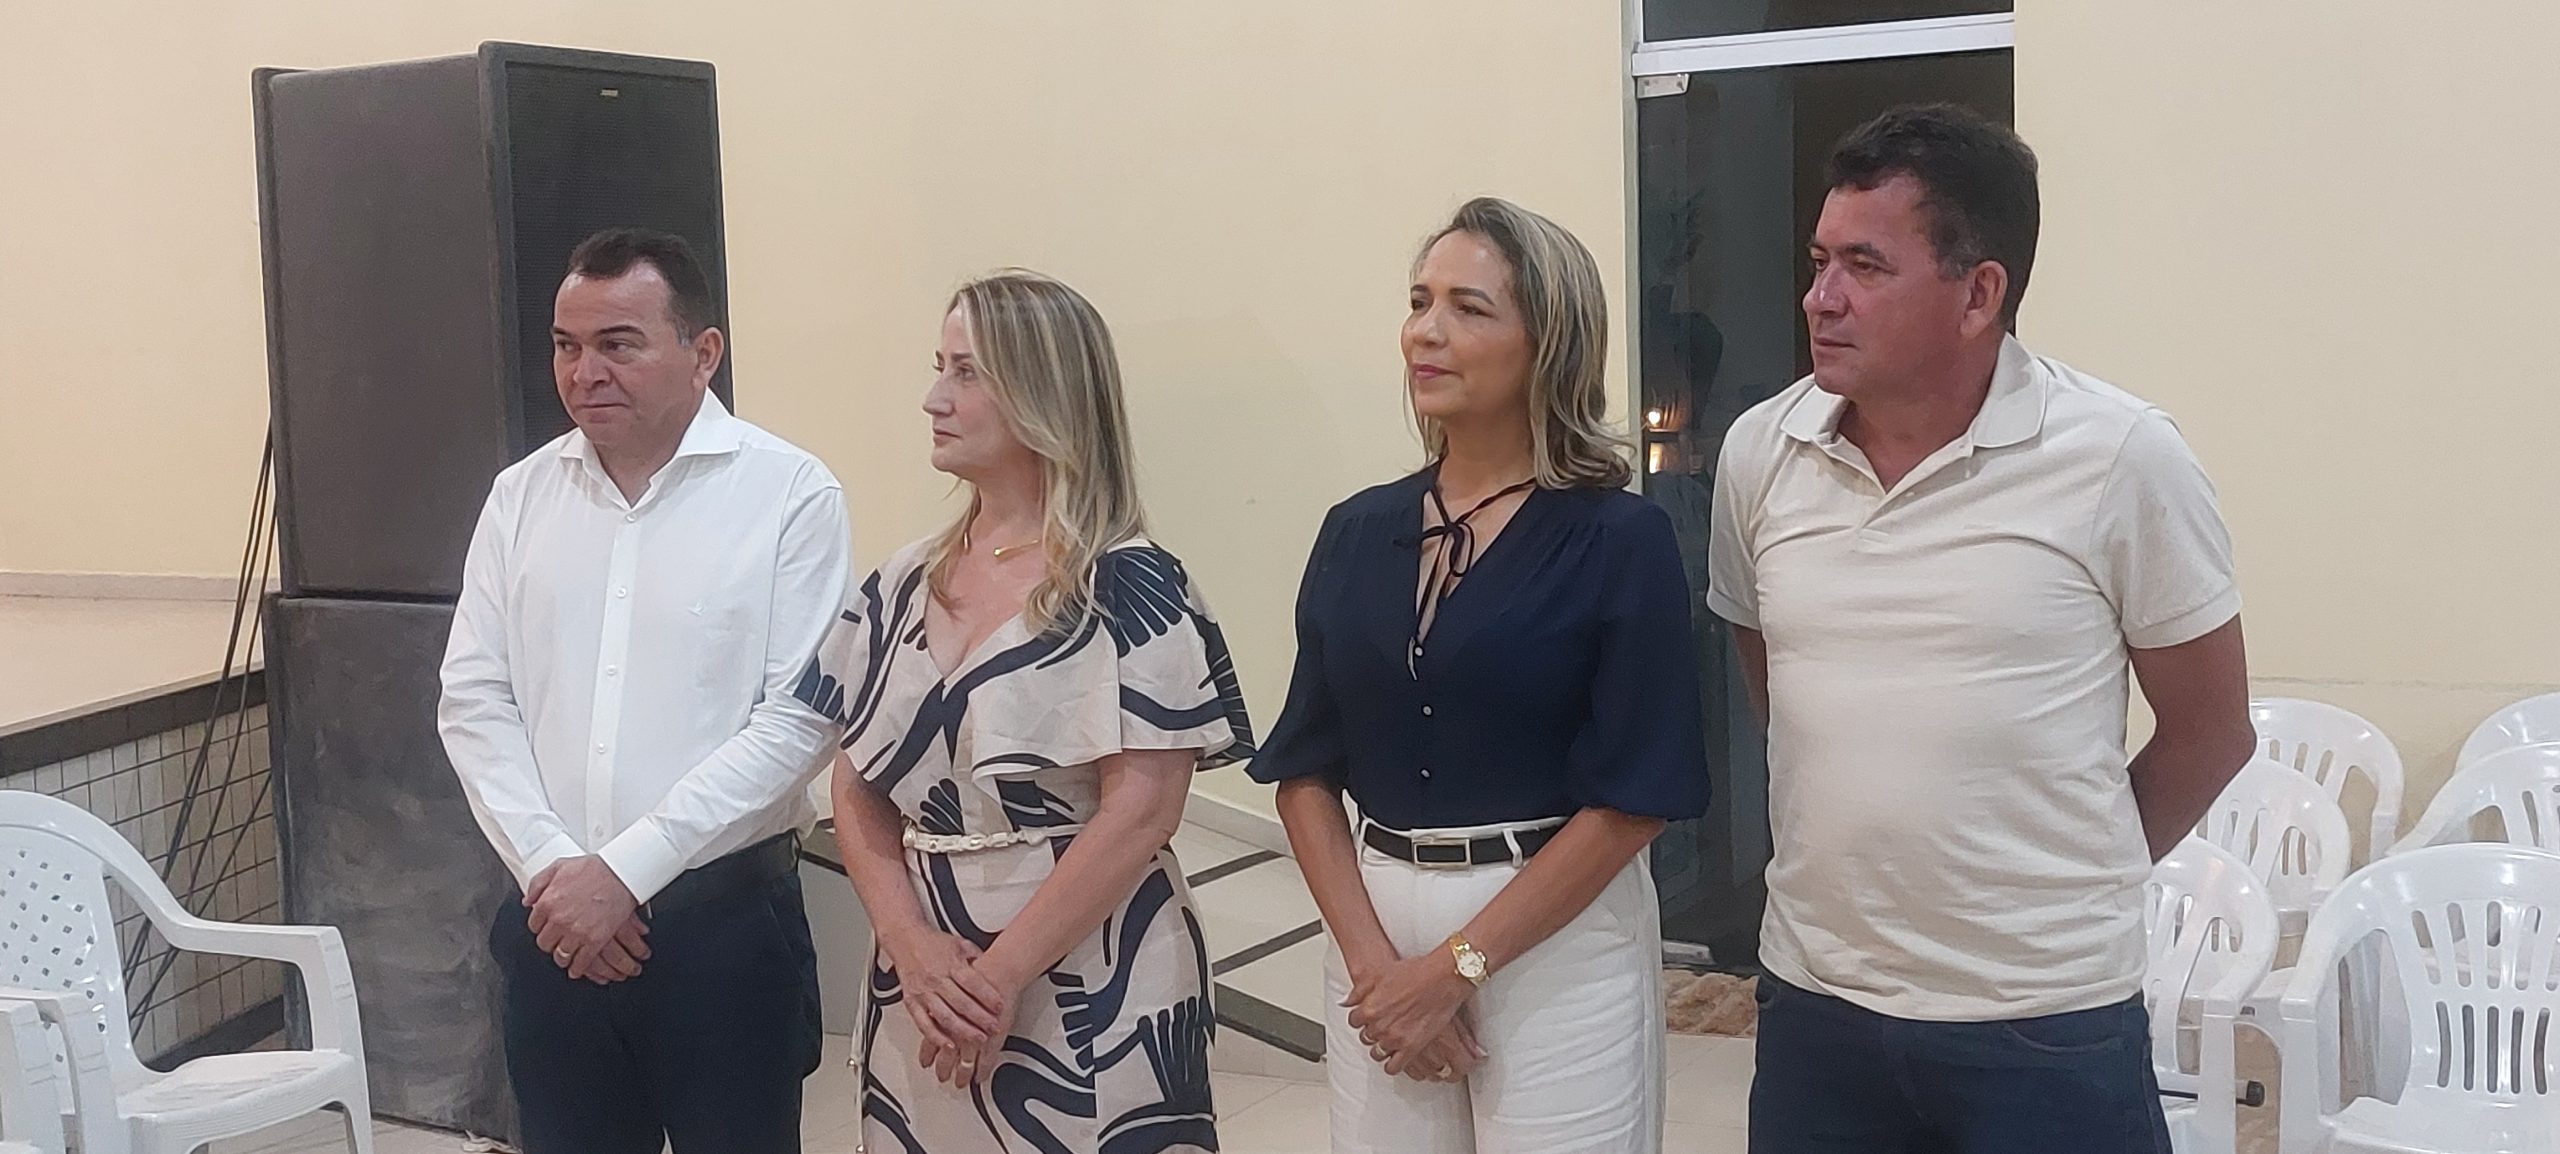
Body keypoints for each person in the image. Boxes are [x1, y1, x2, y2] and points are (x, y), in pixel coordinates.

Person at [1707, 104, 2256, 1153]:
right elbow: (1771, 672)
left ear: (1979, 294)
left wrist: (2059, 879)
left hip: (2042, 1023)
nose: (1820, 297)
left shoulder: (2120, 456)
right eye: (1819, 261)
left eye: (1864, 266)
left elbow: (2211, 732)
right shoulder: (1760, 452)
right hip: (1818, 1008)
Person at [1250, 196, 1709, 1154]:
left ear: (1549, 343)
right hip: (1375, 932)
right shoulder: (1357, 530)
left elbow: (1636, 800)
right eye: (1420, 301)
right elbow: (1304, 769)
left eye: (1468, 308)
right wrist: (1379, 972)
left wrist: (1454, 969)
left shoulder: (1619, 539)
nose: (1427, 331)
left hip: (1554, 940)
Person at [791, 271, 1253, 1154]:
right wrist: (911, 946)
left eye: (967, 372)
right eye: (939, 367)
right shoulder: (900, 583)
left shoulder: (1130, 583)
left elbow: (1144, 808)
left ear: (1045, 390)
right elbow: (856, 787)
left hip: (1094, 970)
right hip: (922, 973)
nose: (934, 398)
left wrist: (997, 977)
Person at [438, 227, 848, 1153]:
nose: (586, 373)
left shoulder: (790, 494)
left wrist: (626, 871)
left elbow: (799, 719)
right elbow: (473, 697)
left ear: (704, 353)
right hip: (553, 926)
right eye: (566, 346)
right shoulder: (520, 497)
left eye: (618, 344)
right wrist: (554, 868)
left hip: (722, 929)